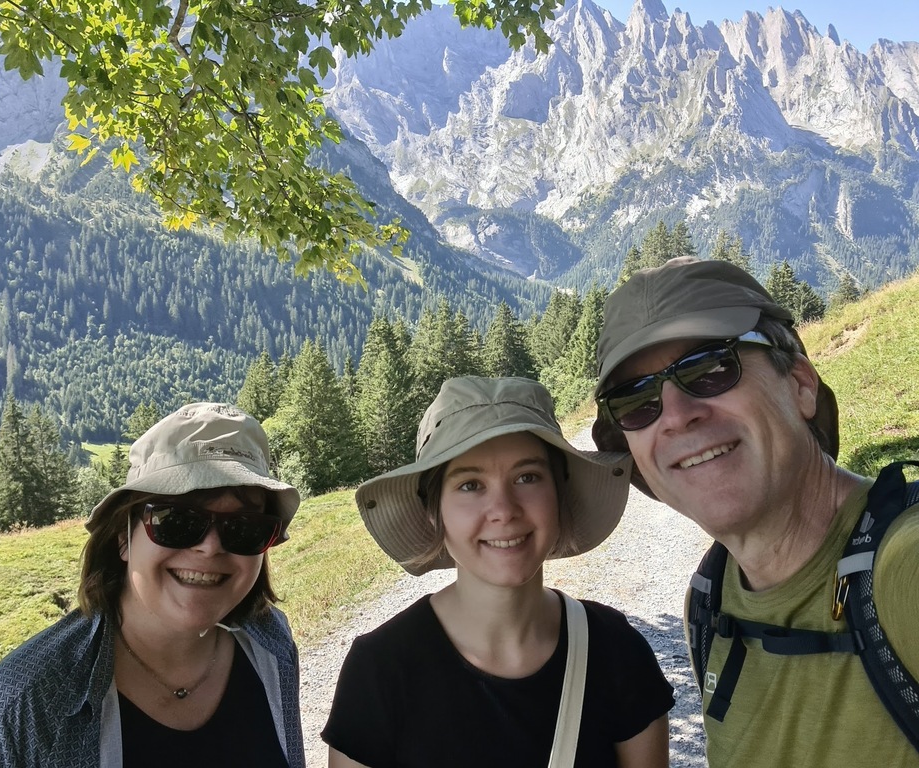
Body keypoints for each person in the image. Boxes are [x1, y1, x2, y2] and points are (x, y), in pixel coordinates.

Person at [591, 256, 919, 766]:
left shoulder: (905, 569)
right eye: (636, 400)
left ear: (802, 385)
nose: (676, 416)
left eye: (712, 367)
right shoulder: (710, 601)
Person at [323, 376, 674, 768]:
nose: (504, 510)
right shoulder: (379, 671)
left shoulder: (616, 653)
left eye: (527, 477)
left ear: (559, 494)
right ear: (433, 510)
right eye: (470, 484)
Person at [0, 402, 305, 767]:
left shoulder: (271, 645)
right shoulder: (19, 709)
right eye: (176, 522)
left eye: (244, 529)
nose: (210, 547)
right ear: (123, 538)